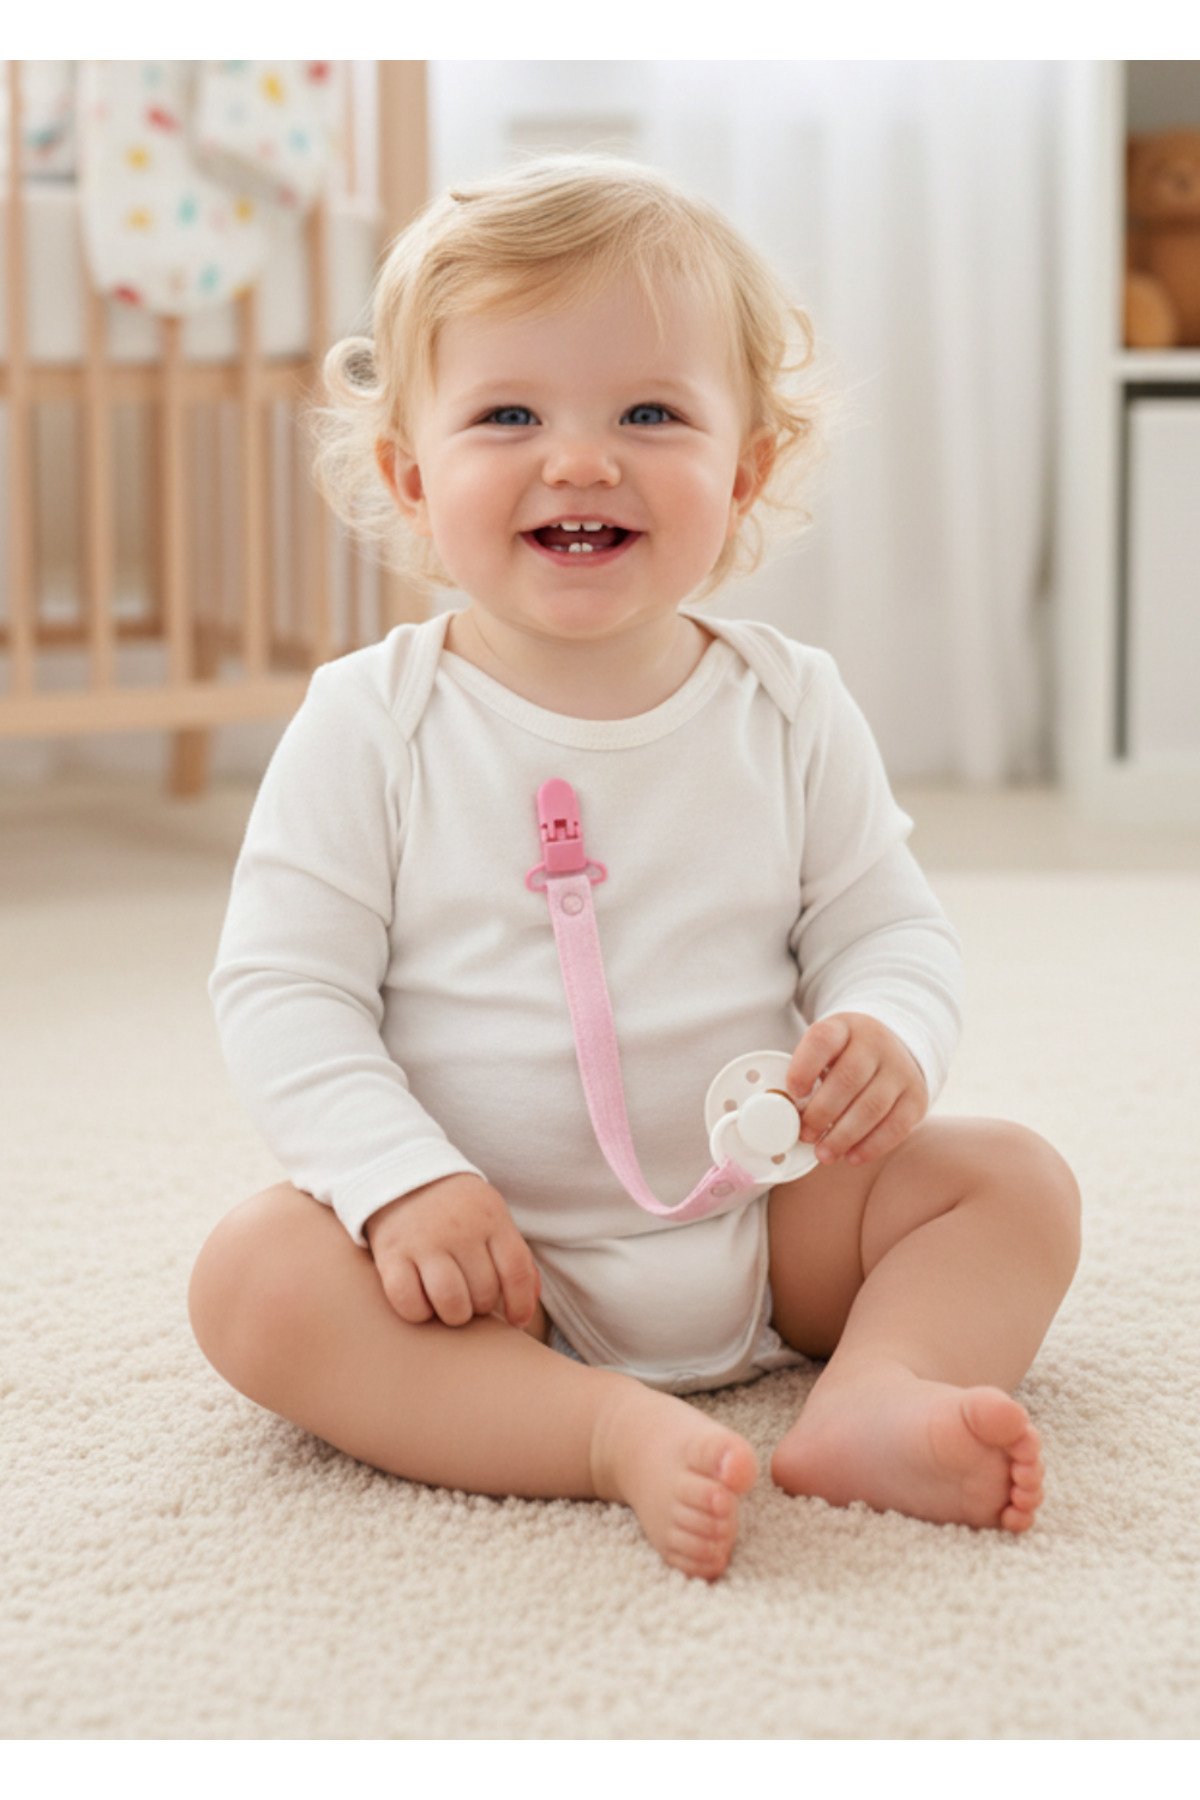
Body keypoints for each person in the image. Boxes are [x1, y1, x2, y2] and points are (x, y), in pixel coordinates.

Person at [189, 156, 1081, 1582]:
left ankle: (871, 1395)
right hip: (478, 1270)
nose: (582, 460)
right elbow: (285, 989)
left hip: (765, 1221)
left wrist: (892, 1033)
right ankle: (591, 1430)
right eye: (509, 415)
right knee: (252, 1282)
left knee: (1015, 1187)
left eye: (650, 412)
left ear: (747, 469)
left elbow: (887, 928)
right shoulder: (375, 719)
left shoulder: (788, 706)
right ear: (415, 480)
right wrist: (399, 1182)